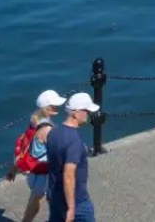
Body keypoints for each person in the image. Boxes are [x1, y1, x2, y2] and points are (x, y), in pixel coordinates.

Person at [7, 90, 67, 222]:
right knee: (44, 199)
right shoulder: (47, 129)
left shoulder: (34, 121)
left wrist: (13, 169)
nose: (57, 107)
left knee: (47, 197)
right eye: (54, 105)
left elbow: (25, 146)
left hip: (32, 173)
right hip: (43, 173)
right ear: (48, 108)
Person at [45, 92, 99, 222]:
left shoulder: (53, 132)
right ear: (76, 113)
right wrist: (71, 207)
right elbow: (69, 175)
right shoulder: (74, 140)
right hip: (77, 199)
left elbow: (52, 164)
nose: (88, 114)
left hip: (55, 194)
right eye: (86, 110)